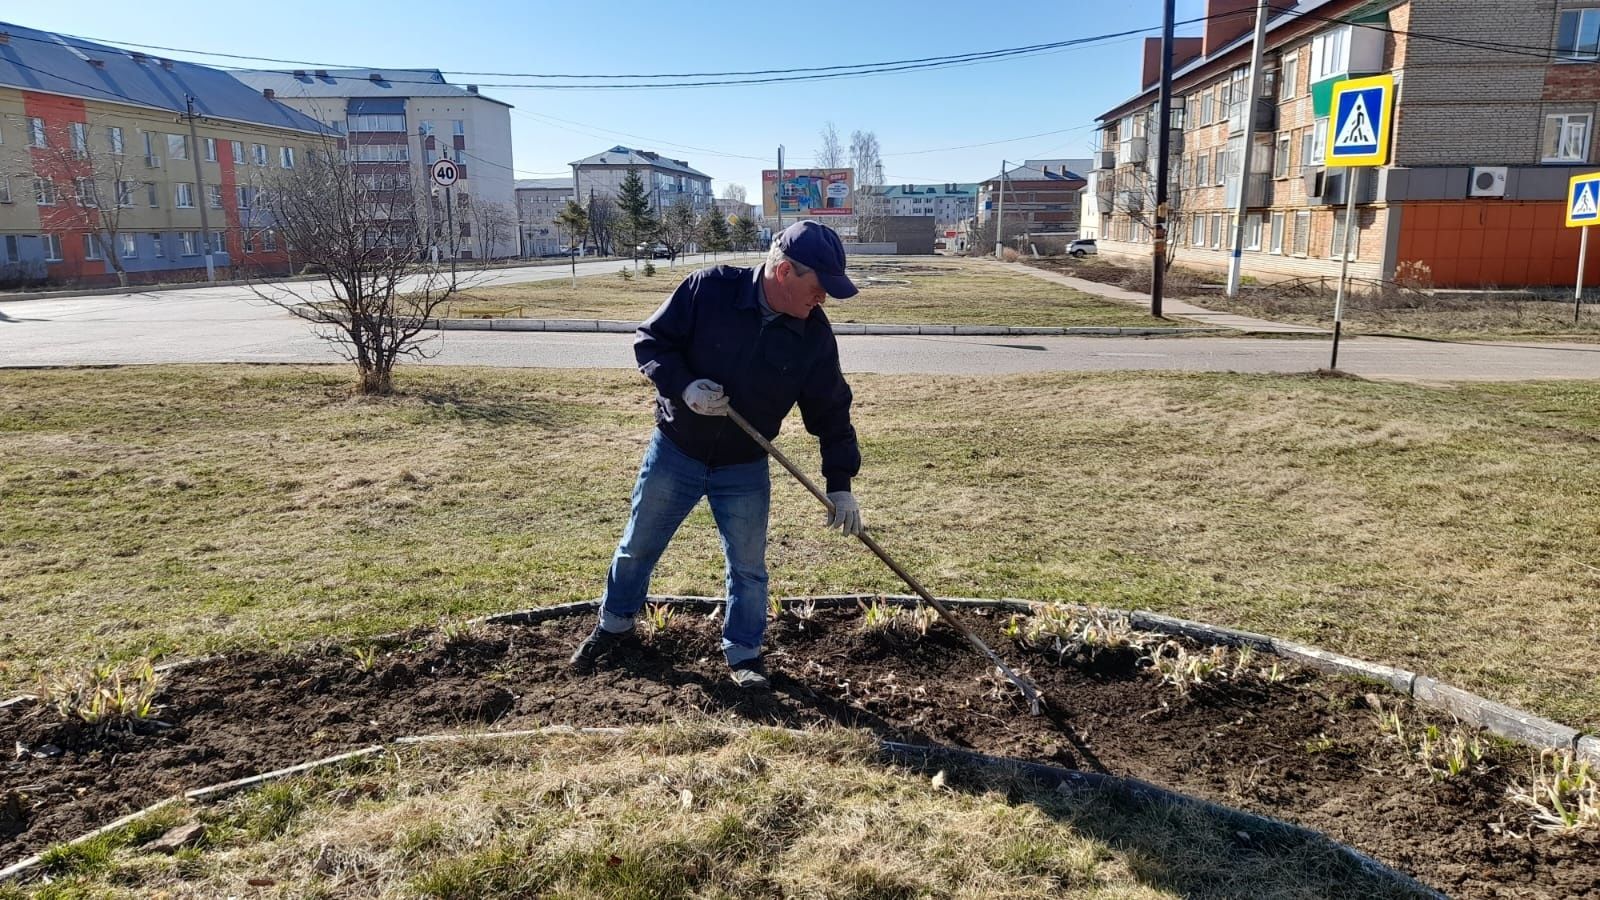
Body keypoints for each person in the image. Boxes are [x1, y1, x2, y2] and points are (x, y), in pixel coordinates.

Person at [570, 221, 864, 689]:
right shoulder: (709, 290)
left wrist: (841, 486)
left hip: (744, 466)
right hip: (677, 452)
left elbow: (831, 409)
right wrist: (683, 386)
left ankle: (744, 654)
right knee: (637, 547)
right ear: (785, 271)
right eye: (818, 288)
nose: (822, 299)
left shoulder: (812, 335)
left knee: (748, 567)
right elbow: (651, 342)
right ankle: (615, 627)